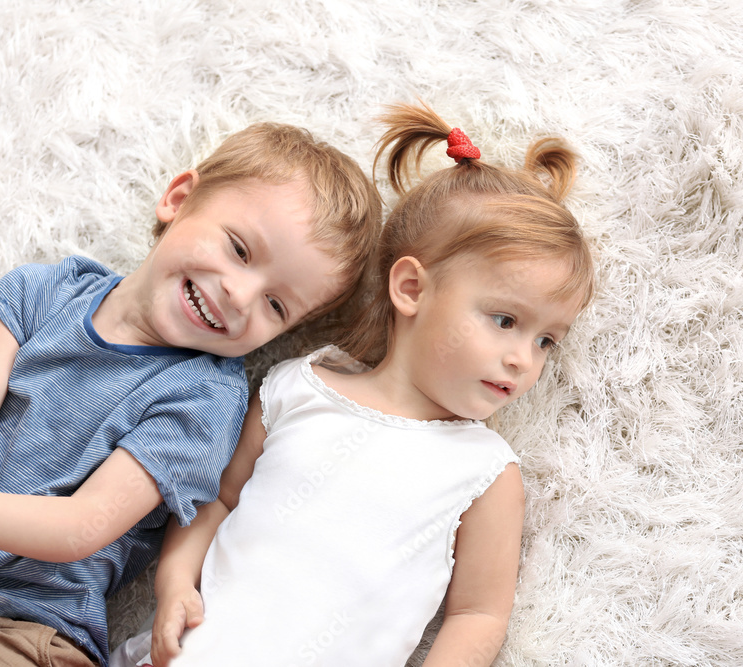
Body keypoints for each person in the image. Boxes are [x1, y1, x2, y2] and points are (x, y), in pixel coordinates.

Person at [0, 122, 382, 667]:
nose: (240, 295)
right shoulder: (39, 294)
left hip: (19, 629)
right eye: (239, 249)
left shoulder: (203, 402)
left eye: (276, 306)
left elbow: (82, 527)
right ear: (178, 199)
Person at [114, 101, 596, 667]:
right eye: (506, 321)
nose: (524, 360)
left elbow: (478, 616)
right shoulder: (297, 389)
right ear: (412, 289)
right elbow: (216, 500)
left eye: (547, 342)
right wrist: (174, 583)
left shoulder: (485, 471)